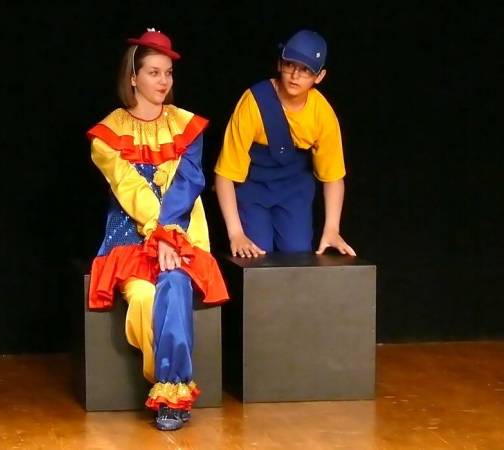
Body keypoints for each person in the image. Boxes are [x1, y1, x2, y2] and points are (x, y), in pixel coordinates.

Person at [86, 28, 228, 431]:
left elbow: (189, 181)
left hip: (181, 231)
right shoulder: (108, 134)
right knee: (145, 297)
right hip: (131, 236)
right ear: (133, 77)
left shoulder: (187, 125)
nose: (163, 81)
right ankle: (163, 381)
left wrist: (169, 235)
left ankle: (173, 392)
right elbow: (129, 188)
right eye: (153, 72)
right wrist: (157, 234)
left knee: (176, 282)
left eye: (168, 73)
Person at [214, 29, 356, 258]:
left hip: (294, 190)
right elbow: (224, 174)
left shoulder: (322, 113)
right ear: (280, 64)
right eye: (290, 65)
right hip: (253, 188)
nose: (295, 75)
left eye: (306, 70)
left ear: (319, 76)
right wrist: (236, 233)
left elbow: (333, 177)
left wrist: (332, 229)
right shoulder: (254, 102)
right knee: (256, 256)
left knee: (297, 255)